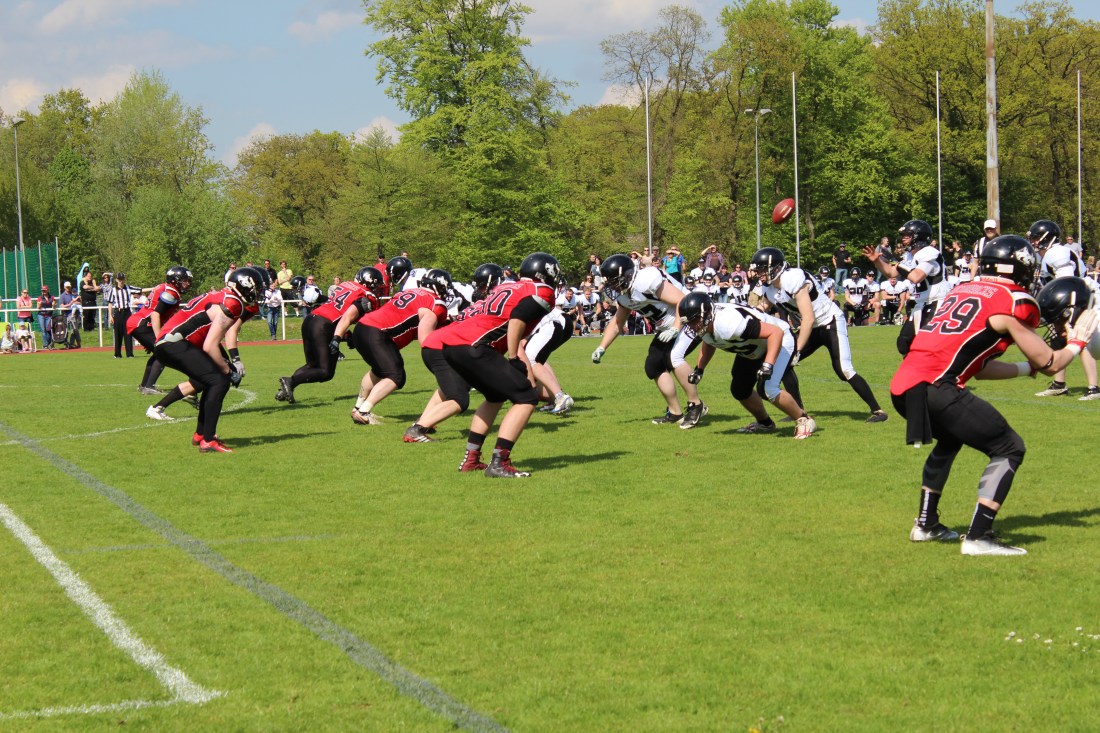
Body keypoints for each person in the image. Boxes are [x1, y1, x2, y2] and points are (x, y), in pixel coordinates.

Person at [890, 235, 1098, 555]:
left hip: (904, 387)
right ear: (1020, 268)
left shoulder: (961, 290)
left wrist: (1022, 369)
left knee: (950, 440)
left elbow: (978, 367)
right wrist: (1077, 342)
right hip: (938, 387)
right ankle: (979, 536)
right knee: (1009, 447)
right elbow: (1050, 363)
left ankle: (926, 524)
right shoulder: (1014, 300)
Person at [408, 253, 560, 478]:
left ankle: (471, 459)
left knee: (495, 396)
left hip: (452, 344)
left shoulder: (505, 287)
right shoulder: (542, 291)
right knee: (526, 398)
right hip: (476, 345)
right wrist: (513, 357)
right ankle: (499, 463)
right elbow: (518, 318)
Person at [750, 247, 889, 423]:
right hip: (812, 327)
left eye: (762, 269)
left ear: (775, 268)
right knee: (784, 364)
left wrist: (797, 350)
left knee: (843, 369)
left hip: (830, 321)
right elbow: (762, 307)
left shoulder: (792, 278)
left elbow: (808, 318)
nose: (759, 274)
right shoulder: (770, 288)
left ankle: (878, 411)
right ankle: (798, 412)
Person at [674, 292, 815, 439]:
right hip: (754, 347)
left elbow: (775, 332)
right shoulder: (706, 323)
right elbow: (709, 341)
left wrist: (768, 364)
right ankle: (765, 424)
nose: (692, 326)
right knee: (740, 389)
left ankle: (804, 419)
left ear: (707, 313)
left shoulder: (729, 323)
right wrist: (700, 368)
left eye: (695, 320)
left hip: (780, 340)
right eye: (689, 322)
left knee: (768, 389)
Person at [593, 253, 708, 428]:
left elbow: (682, 301)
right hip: (667, 327)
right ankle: (675, 412)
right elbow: (617, 323)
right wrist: (602, 347)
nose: (612, 287)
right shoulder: (625, 296)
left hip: (691, 318)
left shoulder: (645, 280)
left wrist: (675, 327)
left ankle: (696, 404)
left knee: (673, 357)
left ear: (627, 275)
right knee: (654, 366)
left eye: (614, 282)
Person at [151, 269, 259, 452]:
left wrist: (226, 365)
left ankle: (201, 434)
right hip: (174, 342)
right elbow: (210, 345)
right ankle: (208, 439)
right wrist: (228, 369)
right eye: (255, 288)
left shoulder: (222, 295)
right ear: (244, 286)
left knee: (208, 380)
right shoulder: (233, 303)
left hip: (172, 341)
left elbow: (208, 340)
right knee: (219, 381)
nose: (256, 293)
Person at [344, 268, 449, 424]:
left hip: (362, 327)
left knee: (378, 370)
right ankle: (363, 412)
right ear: (439, 286)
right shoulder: (434, 303)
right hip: (378, 333)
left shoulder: (408, 292)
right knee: (396, 376)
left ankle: (358, 407)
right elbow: (424, 338)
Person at [275, 267, 387, 405]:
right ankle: (289, 382)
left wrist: (347, 335)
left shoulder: (346, 285)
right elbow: (346, 317)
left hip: (311, 319)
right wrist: (339, 338)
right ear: (368, 282)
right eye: (376, 285)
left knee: (312, 364)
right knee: (325, 371)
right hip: (324, 325)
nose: (377, 289)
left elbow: (338, 309)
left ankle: (287, 389)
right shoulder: (365, 295)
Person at [863, 220, 951, 355]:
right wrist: (877, 261)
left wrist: (898, 264)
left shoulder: (929, 252)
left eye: (907, 235)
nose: (903, 238)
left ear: (918, 236)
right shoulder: (910, 256)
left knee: (929, 344)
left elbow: (916, 277)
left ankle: (937, 367)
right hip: (922, 303)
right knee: (904, 343)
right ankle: (915, 367)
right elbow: (891, 272)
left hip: (937, 302)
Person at [1029, 219, 1093, 398]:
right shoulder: (1047, 254)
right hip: (1066, 299)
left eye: (1036, 238)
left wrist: (1068, 311)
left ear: (1046, 237)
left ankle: (1093, 386)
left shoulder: (1056, 253)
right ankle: (1059, 383)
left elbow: (1067, 283)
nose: (1033, 242)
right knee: (1057, 340)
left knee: (1080, 340)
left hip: (1079, 298)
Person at [127, 266, 193, 394]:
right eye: (185, 280)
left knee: (158, 354)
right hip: (143, 323)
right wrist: (158, 338)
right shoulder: (171, 292)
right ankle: (149, 386)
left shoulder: (164, 287)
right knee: (164, 351)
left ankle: (145, 386)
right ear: (174, 280)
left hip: (139, 322)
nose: (187, 283)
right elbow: (155, 314)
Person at [104, 273, 142, 358]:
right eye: (120, 279)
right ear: (117, 280)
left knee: (128, 333)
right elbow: (110, 303)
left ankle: (129, 354)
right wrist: (110, 316)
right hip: (118, 312)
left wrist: (155, 288)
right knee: (118, 333)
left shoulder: (128, 288)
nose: (121, 281)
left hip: (127, 312)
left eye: (122, 279)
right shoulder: (113, 290)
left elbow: (140, 290)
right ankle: (117, 354)